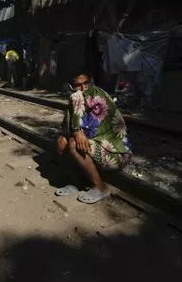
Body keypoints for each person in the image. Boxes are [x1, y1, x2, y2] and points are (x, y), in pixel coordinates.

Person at [56, 71, 132, 204]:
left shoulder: (97, 97)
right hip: (98, 147)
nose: (83, 88)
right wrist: (66, 136)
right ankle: (75, 183)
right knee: (64, 141)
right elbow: (69, 127)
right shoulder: (76, 100)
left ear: (91, 82)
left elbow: (84, 131)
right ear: (71, 86)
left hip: (117, 154)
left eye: (86, 83)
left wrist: (76, 132)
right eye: (78, 85)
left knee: (74, 143)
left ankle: (100, 188)